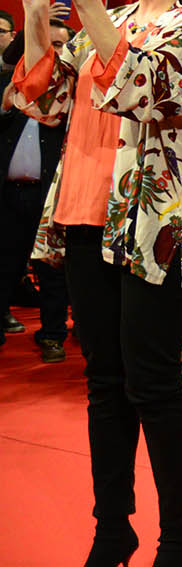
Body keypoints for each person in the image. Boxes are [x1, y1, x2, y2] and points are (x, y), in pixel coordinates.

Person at [9, 0, 182, 567]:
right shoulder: (119, 15)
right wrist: (35, 10)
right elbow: (40, 99)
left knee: (152, 382)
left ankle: (178, 533)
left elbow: (144, 87)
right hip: (83, 211)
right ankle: (113, 527)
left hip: (153, 225)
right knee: (104, 381)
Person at [0, 20, 71, 361]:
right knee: (4, 264)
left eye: (60, 45)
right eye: (48, 44)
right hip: (9, 196)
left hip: (51, 199)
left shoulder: (70, 96)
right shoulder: (10, 85)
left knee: (51, 270)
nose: (53, 52)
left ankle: (53, 334)